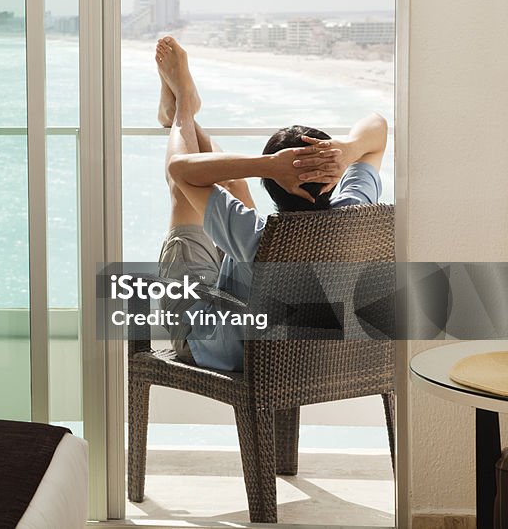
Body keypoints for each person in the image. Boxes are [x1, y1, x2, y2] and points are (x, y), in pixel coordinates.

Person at [153, 35, 389, 371]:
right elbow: (377, 126)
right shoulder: (354, 211)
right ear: (333, 178)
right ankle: (180, 107)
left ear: (270, 184)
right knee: (232, 186)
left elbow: (180, 171)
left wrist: (265, 164)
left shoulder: (258, 237)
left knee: (183, 195)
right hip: (301, 351)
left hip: (214, 343)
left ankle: (182, 110)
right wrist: (348, 149)